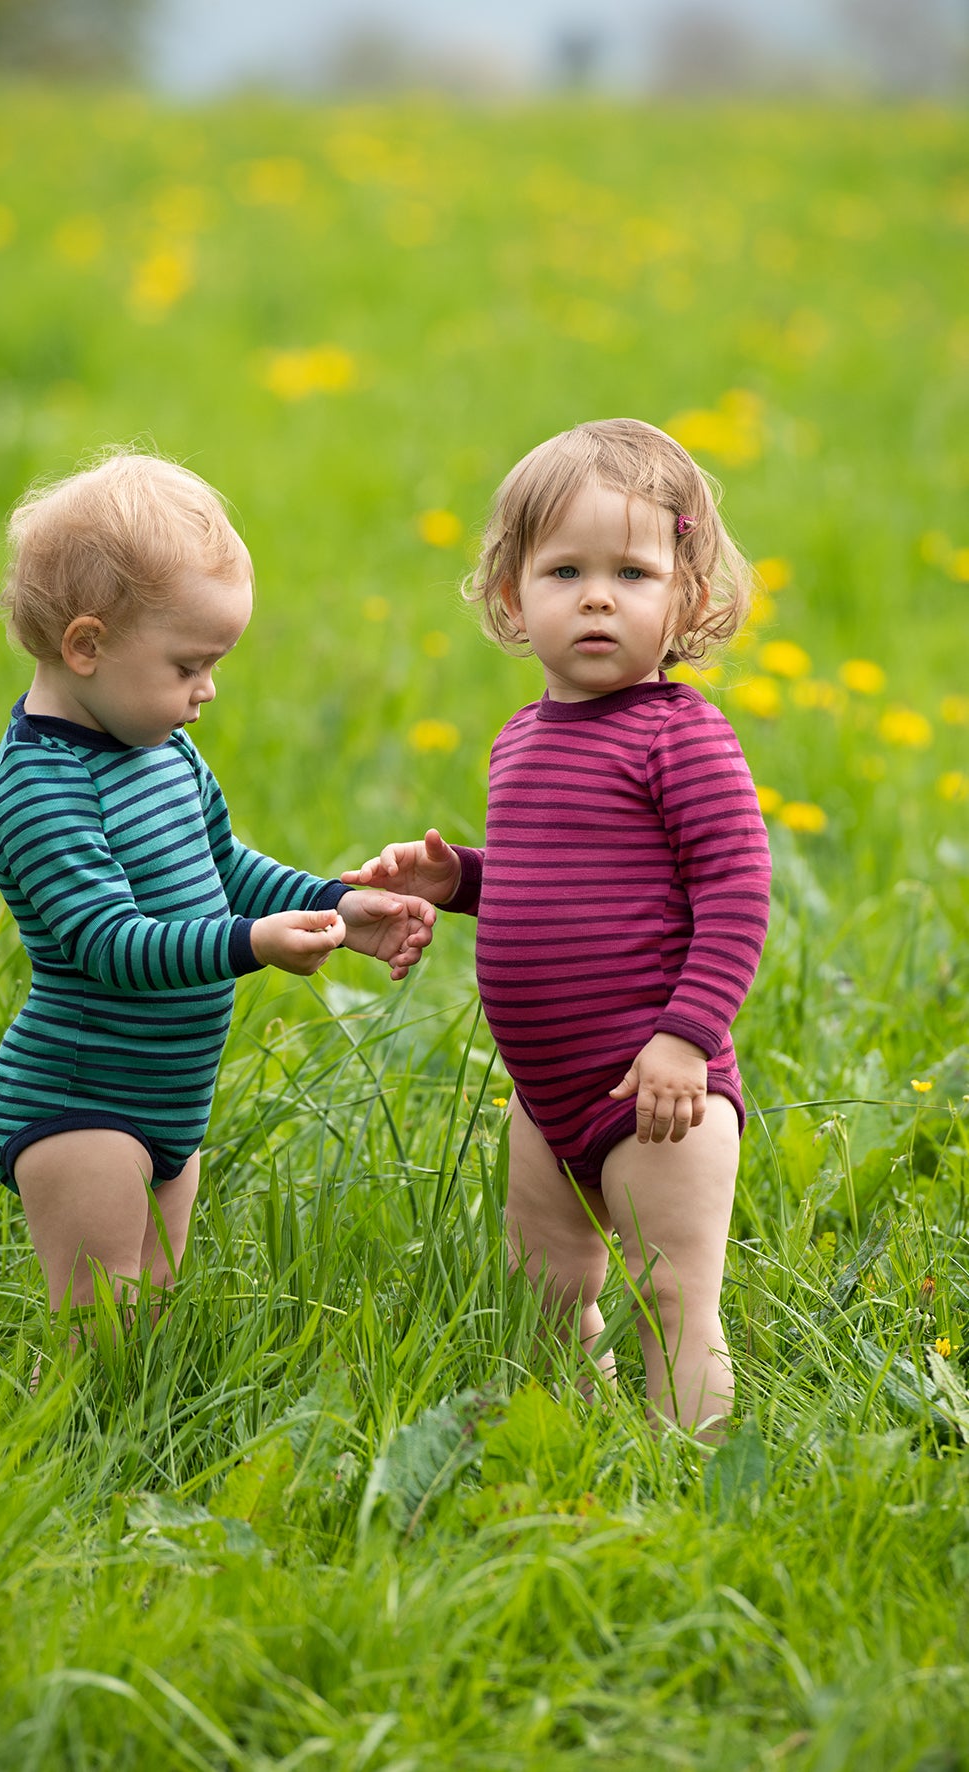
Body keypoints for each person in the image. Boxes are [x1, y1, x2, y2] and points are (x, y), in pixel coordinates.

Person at [345, 418, 770, 1437]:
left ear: (686, 598)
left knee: (671, 1295)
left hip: (655, 1089)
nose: (593, 595)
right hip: (544, 1094)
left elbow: (735, 889)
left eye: (630, 570)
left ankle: (690, 1471)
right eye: (563, 569)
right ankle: (576, 1439)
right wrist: (460, 881)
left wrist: (684, 1038)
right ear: (510, 596)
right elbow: (559, 880)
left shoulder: (679, 732)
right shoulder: (521, 739)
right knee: (544, 1289)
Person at [0, 451, 436, 1322]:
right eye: (188, 665)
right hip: (81, 1099)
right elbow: (106, 944)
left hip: (169, 1096)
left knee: (150, 1307)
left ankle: (123, 1442)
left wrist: (337, 902)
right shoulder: (38, 788)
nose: (208, 690)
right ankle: (67, 1446)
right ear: (87, 646)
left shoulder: (160, 750)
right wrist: (249, 944)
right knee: (99, 1318)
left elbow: (225, 865)